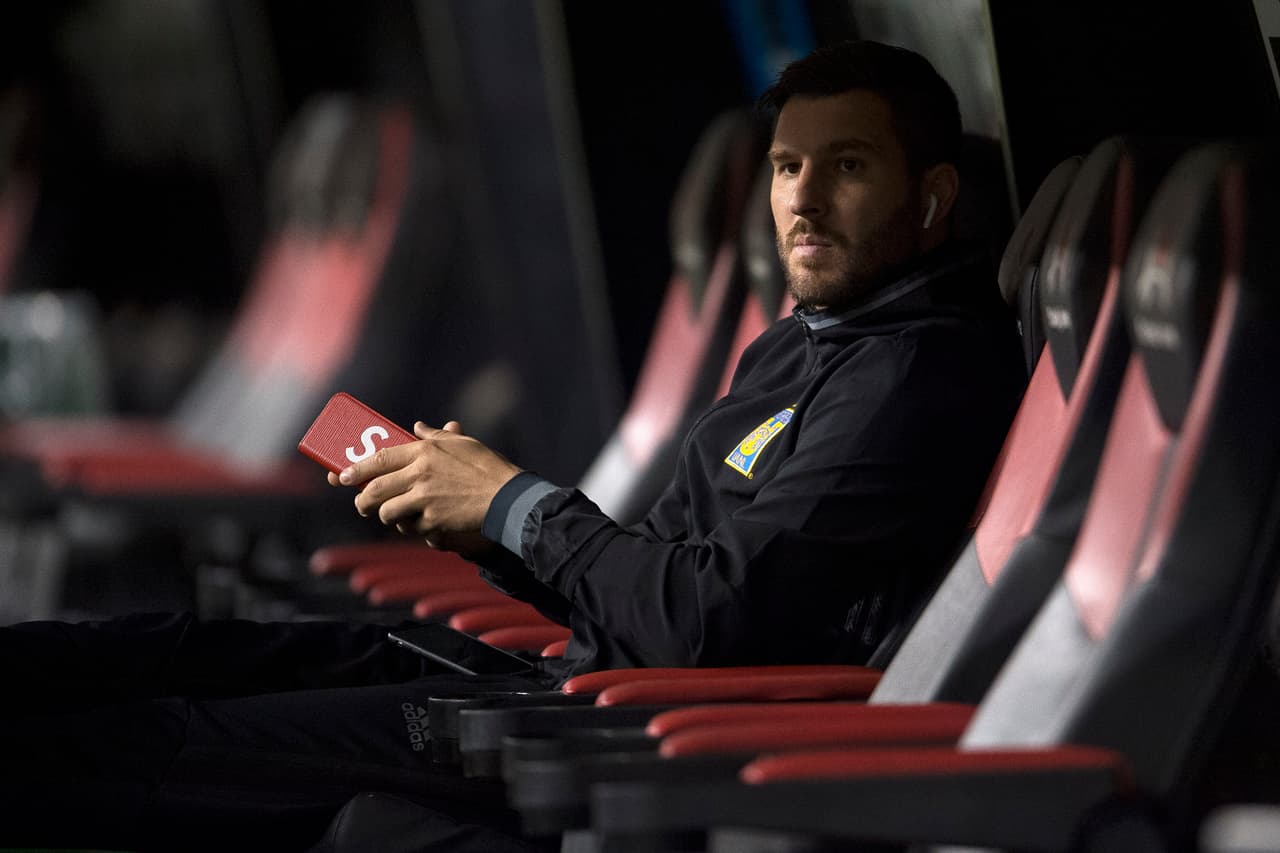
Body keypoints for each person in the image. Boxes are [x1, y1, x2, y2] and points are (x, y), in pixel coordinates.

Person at [0, 40, 1025, 852]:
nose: (799, 200)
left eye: (845, 167)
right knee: (149, 653)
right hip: (546, 678)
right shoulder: (804, 346)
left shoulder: (912, 378)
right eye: (787, 166)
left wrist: (513, 506)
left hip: (586, 735)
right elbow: (651, 583)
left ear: (932, 196)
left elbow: (706, 622)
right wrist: (474, 516)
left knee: (124, 745)